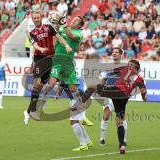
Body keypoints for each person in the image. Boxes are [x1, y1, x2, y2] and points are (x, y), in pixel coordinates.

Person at [72, 59, 147, 154]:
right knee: (119, 121)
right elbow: (143, 91)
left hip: (116, 91)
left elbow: (110, 70)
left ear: (135, 67)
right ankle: (122, 145)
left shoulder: (125, 68)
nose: (128, 65)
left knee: (91, 87)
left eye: (130, 64)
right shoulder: (140, 78)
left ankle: (79, 105)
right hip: (124, 97)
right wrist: (144, 98)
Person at [42, 16, 93, 151]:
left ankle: (82, 118)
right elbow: (56, 34)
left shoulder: (78, 33)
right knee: (52, 83)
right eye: (74, 19)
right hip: (58, 60)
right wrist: (55, 23)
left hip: (68, 63)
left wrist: (63, 24)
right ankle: (40, 99)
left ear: (80, 26)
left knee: (74, 91)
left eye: (77, 21)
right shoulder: (64, 29)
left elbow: (69, 35)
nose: (73, 21)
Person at [23, 10, 72, 123]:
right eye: (34, 18)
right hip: (39, 59)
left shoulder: (49, 28)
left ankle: (29, 110)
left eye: (37, 17)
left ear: (41, 17)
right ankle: (33, 110)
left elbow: (59, 37)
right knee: (38, 83)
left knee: (49, 84)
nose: (36, 19)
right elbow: (34, 45)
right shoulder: (32, 33)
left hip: (50, 59)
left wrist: (66, 45)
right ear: (32, 19)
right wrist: (41, 49)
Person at [99, 48, 127, 145]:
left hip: (119, 95)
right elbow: (103, 80)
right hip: (108, 94)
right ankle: (102, 138)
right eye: (113, 52)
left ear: (121, 54)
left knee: (121, 117)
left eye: (116, 52)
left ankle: (123, 139)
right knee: (106, 115)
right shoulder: (107, 66)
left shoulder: (125, 67)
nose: (114, 53)